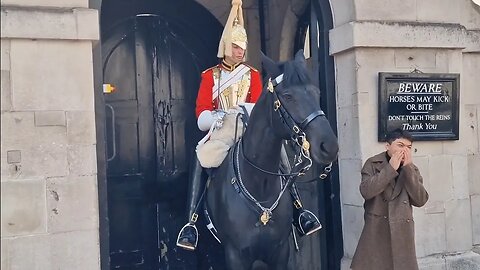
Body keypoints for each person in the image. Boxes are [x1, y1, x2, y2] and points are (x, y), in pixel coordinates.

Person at [176, 0, 321, 251]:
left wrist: (244, 111)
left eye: (243, 46)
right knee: (201, 158)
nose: (240, 50)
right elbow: (201, 111)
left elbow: (258, 103)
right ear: (225, 47)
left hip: (248, 127)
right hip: (221, 128)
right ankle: (192, 223)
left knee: (281, 154)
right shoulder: (210, 76)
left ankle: (299, 210)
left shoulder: (252, 75)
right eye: (235, 46)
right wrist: (215, 116)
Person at [351, 129, 429, 270]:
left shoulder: (412, 169)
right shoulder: (373, 164)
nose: (404, 150)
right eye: (400, 145)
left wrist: (408, 169)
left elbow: (421, 200)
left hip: (402, 232)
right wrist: (390, 169)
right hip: (377, 229)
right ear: (388, 146)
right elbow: (366, 191)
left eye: (409, 147)